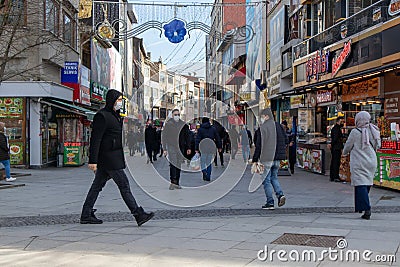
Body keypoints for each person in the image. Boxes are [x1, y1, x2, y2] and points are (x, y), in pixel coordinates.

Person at [80, 89, 154, 225]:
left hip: (112, 156)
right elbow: (96, 139)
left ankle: (86, 213)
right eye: (118, 100)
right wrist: (93, 161)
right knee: (124, 185)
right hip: (109, 158)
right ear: (111, 100)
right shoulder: (102, 116)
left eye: (121, 100)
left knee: (97, 186)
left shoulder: (115, 115)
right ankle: (138, 214)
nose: (120, 102)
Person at [343, 111, 380, 220]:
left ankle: (366, 208)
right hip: (371, 160)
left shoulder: (355, 132)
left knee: (361, 185)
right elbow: (378, 144)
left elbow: (348, 145)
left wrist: (344, 152)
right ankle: (361, 207)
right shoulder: (373, 129)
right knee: (366, 183)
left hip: (359, 162)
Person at [252, 108, 288, 210]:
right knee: (274, 177)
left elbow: (259, 145)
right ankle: (280, 195)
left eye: (262, 117)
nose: (261, 119)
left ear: (266, 116)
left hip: (267, 157)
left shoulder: (263, 128)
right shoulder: (279, 126)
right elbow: (286, 139)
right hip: (278, 158)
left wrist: (255, 159)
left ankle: (270, 202)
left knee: (266, 180)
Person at [162, 109, 192, 190]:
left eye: (178, 114)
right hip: (171, 146)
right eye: (175, 114)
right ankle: (172, 182)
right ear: (172, 115)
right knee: (173, 164)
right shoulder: (168, 124)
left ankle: (177, 182)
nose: (177, 116)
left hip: (181, 147)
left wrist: (189, 147)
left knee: (178, 165)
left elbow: (187, 136)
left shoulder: (183, 124)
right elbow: (164, 137)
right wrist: (164, 148)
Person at [195, 117, 222, 181]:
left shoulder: (200, 129)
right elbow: (218, 138)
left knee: (202, 162)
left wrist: (196, 148)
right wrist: (219, 147)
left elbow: (197, 139)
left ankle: (204, 171)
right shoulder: (213, 129)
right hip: (211, 147)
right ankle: (208, 176)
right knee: (209, 163)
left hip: (203, 148)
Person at [329, 116, 345, 182]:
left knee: (334, 162)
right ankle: (335, 176)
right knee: (336, 162)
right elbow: (335, 139)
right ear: (338, 121)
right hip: (336, 147)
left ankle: (332, 176)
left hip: (335, 147)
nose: (343, 123)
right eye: (342, 121)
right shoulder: (336, 129)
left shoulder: (336, 128)